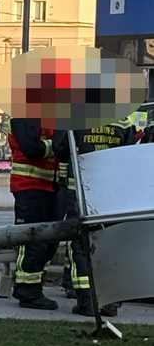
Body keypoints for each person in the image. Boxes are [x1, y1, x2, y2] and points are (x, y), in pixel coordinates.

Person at [54, 118, 137, 316]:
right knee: (110, 246)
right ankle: (110, 302)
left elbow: (60, 147)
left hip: (82, 192)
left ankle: (88, 302)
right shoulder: (123, 122)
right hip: (112, 193)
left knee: (81, 246)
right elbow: (129, 154)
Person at [7, 117, 63, 310]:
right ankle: (26, 290)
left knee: (49, 243)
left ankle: (35, 286)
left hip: (52, 186)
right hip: (30, 186)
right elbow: (32, 149)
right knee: (33, 242)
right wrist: (58, 144)